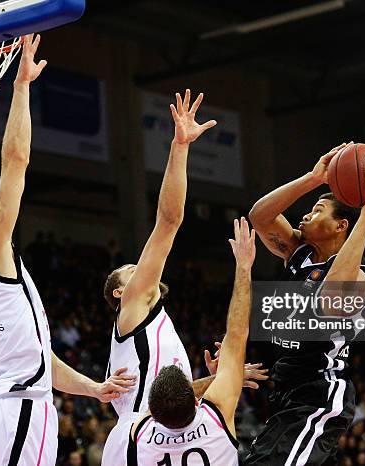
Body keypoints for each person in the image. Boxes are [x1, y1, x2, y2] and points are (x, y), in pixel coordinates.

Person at [0, 35, 135, 466]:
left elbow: (40, 360)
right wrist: (22, 86)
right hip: (18, 410)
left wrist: (93, 388)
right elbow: (15, 161)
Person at [101, 91, 266, 465]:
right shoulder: (134, 303)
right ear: (120, 290)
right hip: (142, 431)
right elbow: (168, 222)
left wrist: (221, 376)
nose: (141, 269)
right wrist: (179, 147)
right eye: (132, 269)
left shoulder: (148, 322)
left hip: (153, 431)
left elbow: (175, 402)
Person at [247, 143, 365, 465]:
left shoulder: (358, 275)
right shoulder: (298, 254)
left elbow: (330, 296)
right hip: (286, 391)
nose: (306, 213)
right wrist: (314, 179)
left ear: (342, 226)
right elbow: (260, 216)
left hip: (318, 393)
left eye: (317, 210)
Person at [127, 218, 256, 465]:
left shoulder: (140, 432)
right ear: (196, 400)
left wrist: (215, 380)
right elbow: (237, 333)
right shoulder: (215, 417)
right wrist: (244, 268)